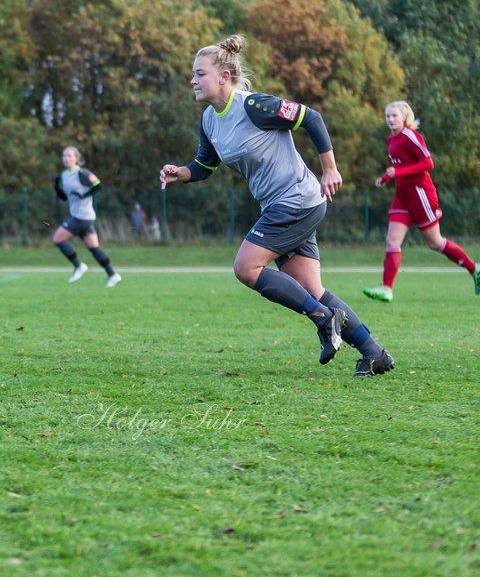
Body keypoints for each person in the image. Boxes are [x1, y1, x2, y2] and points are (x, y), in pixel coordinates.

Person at [159, 35, 394, 377]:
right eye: (192, 74)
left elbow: (311, 118)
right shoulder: (209, 120)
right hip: (282, 205)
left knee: (246, 268)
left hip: (297, 200)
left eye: (200, 73)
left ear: (224, 77)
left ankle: (323, 320)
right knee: (313, 290)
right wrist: (181, 172)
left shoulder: (254, 107)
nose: (193, 80)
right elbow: (205, 164)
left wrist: (330, 169)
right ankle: (374, 353)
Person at [363, 101, 479, 302]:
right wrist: (387, 178)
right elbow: (400, 166)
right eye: (388, 116)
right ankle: (387, 289)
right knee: (392, 241)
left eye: (394, 116)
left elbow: (428, 163)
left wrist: (397, 171)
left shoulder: (410, 136)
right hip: (402, 197)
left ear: (404, 117)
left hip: (420, 194)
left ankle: (474, 268)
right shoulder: (392, 139)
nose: (390, 119)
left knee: (435, 243)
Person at [52, 147, 121, 287]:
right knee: (94, 248)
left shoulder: (82, 172)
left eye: (69, 156)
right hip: (84, 217)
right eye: (64, 156)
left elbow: (98, 185)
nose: (66, 158)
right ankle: (113, 274)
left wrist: (83, 195)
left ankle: (78, 266)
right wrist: (57, 188)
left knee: (57, 238)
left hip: (82, 217)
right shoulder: (64, 175)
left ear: (76, 158)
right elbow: (66, 198)